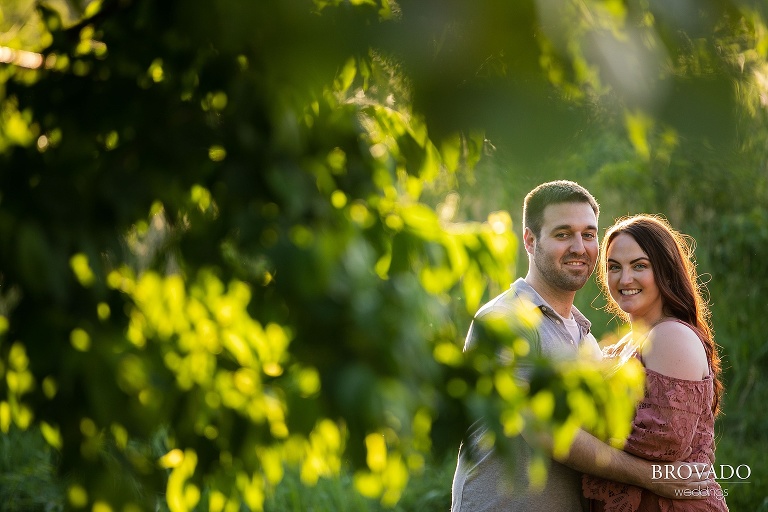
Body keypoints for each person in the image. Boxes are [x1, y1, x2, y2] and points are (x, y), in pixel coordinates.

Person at [451, 181, 711, 512]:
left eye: (589, 235)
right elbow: (546, 430)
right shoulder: (505, 321)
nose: (579, 247)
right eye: (563, 234)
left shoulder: (586, 340)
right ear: (530, 241)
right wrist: (650, 476)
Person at [582, 214, 728, 511]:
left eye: (639, 266)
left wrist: (572, 432)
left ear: (666, 271)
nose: (625, 279)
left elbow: (663, 443)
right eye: (614, 267)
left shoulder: (671, 335)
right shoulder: (623, 344)